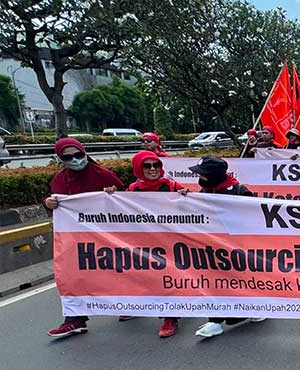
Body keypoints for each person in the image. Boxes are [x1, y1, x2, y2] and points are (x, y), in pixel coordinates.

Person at [46, 138, 126, 339]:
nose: (75, 160)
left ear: (85, 153)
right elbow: (57, 203)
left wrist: (113, 193)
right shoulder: (59, 180)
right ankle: (75, 319)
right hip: (76, 238)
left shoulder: (103, 175)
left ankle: (128, 303)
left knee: (116, 270)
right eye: (68, 157)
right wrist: (48, 203)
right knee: (71, 274)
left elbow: (126, 203)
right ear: (61, 159)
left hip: (107, 236)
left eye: (79, 155)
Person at [107, 151, 189, 337]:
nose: (153, 169)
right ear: (138, 168)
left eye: (156, 165)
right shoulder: (133, 190)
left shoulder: (172, 186)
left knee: (167, 277)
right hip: (143, 242)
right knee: (141, 275)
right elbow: (117, 210)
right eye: (147, 166)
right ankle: (137, 304)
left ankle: (170, 318)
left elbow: (191, 208)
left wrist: (186, 195)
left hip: (169, 241)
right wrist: (111, 196)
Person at [190, 156, 266, 338]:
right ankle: (215, 321)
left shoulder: (239, 192)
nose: (200, 177)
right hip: (210, 245)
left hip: (235, 247)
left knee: (238, 280)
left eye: (204, 175)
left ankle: (252, 308)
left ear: (215, 175)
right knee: (214, 280)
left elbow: (253, 217)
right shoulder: (205, 191)